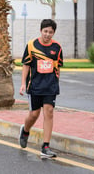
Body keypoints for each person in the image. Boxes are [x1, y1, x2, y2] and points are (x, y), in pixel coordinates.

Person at [19, 19, 63, 158]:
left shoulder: (57, 47)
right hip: (35, 85)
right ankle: (25, 131)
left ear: (53, 33)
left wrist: (56, 83)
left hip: (50, 86)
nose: (47, 34)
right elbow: (26, 65)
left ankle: (45, 147)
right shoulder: (32, 45)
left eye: (50, 32)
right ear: (41, 31)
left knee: (49, 112)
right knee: (34, 114)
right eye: (45, 31)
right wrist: (23, 84)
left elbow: (58, 67)